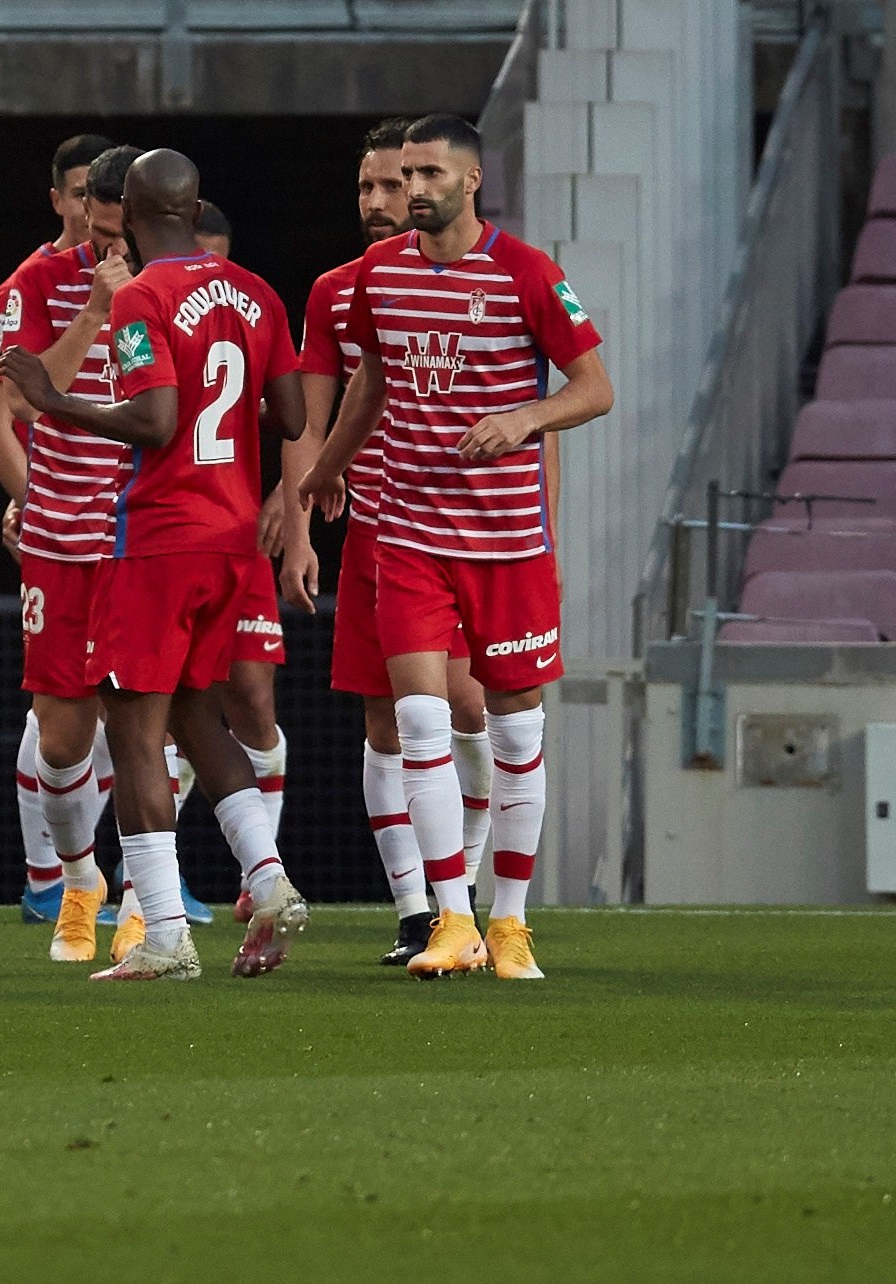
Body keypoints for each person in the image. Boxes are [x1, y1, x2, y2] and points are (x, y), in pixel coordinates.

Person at [298, 113, 613, 979]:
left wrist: (524, 417)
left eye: (428, 174)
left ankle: (508, 922)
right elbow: (372, 377)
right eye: (406, 174)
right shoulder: (376, 275)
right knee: (416, 717)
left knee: (513, 731)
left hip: (506, 542)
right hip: (406, 533)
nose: (412, 190)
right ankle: (448, 916)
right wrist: (327, 469)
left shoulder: (526, 273)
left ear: (470, 181)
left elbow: (593, 388)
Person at [0, 148, 309, 982]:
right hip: (233, 537)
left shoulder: (140, 296)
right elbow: (289, 412)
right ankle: (269, 878)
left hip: (158, 538)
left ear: (128, 211)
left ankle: (164, 934)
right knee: (197, 718)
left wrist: (54, 398)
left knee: (132, 728)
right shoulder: (256, 293)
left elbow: (156, 418)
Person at [281, 117, 494, 967]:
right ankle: (418, 908)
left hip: (474, 531)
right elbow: (312, 415)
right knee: (387, 720)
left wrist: (539, 531)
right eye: (368, 187)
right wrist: (298, 528)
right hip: (379, 532)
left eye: (394, 183)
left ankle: (465, 893)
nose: (382, 200)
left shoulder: (492, 274)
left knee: (471, 707)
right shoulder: (341, 288)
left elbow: (534, 413)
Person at [0, 131, 114, 922]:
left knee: (157, 713)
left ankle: (145, 888)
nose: (92, 206)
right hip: (62, 526)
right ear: (62, 200)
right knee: (60, 717)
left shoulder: (164, 277)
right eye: (80, 191)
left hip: (144, 531)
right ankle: (50, 872)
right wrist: (33, 497)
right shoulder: (26, 287)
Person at [188, 199, 294, 923]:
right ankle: (131, 898)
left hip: (236, 537)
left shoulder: (253, 303)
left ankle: (262, 879)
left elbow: (297, 410)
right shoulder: (141, 304)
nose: (210, 277)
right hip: (152, 537)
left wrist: (292, 489)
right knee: (151, 715)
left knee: (249, 701)